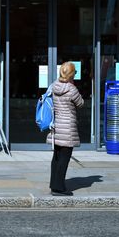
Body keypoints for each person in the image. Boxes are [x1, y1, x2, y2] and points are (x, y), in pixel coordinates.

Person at [47, 61, 84, 196]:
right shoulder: (71, 89)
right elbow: (80, 103)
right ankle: (58, 188)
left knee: (56, 156)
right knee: (64, 157)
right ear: (71, 74)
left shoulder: (55, 85)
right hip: (67, 127)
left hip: (57, 126)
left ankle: (53, 183)